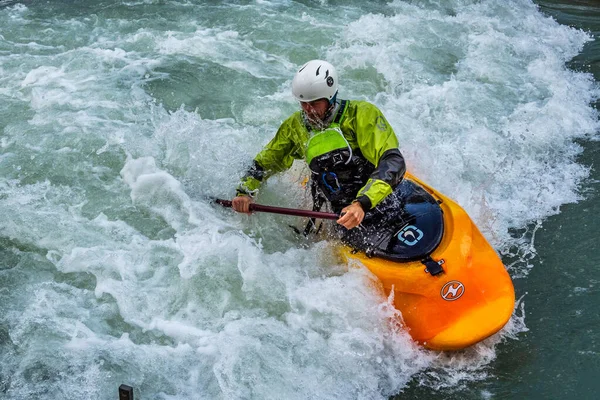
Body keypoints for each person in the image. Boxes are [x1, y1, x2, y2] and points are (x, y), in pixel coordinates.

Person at [231, 59, 406, 251]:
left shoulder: (361, 115)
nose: (308, 110)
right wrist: (244, 193)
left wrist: (361, 204)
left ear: (330, 97)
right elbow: (264, 163)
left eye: (314, 103)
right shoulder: (295, 126)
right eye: (303, 103)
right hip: (339, 212)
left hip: (378, 199)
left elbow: (393, 161)